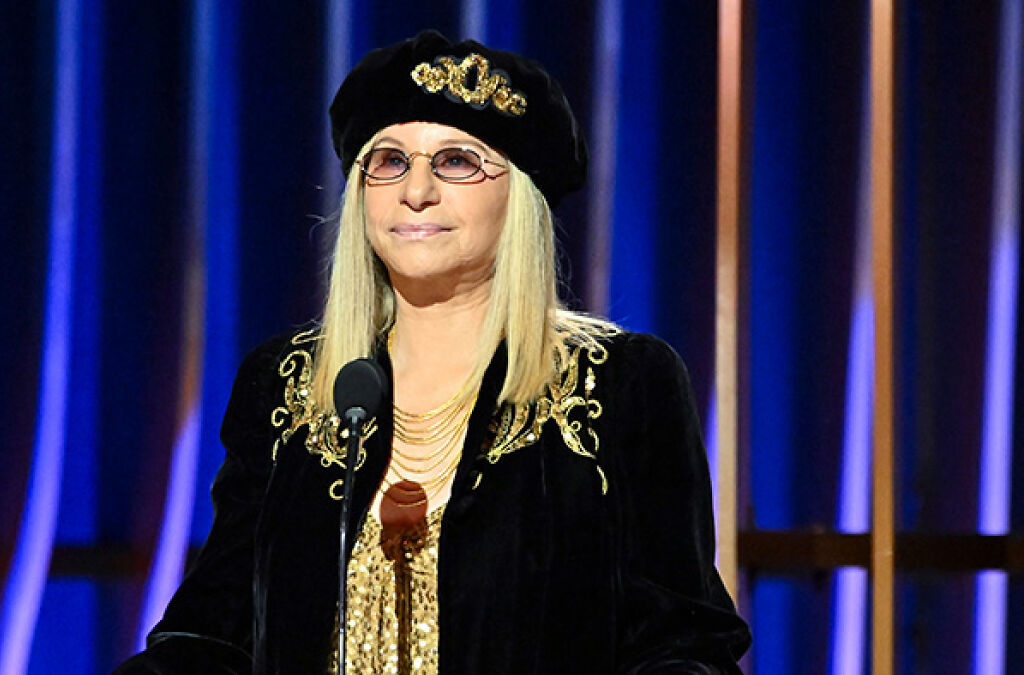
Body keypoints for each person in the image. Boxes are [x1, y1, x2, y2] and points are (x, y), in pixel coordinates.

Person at [116, 30, 751, 674]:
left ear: (519, 194)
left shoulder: (621, 385)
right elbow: (211, 634)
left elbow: (684, 646)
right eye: (390, 161)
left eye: (455, 161)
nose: (415, 191)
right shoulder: (288, 383)